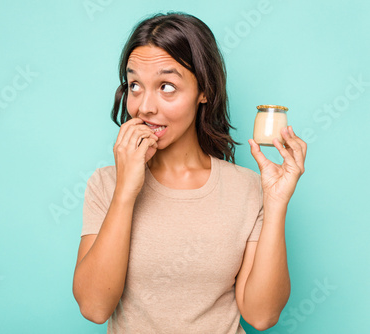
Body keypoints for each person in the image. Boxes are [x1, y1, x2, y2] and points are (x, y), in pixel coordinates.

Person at [72, 12, 307, 334]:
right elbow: (95, 307)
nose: (144, 106)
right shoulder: (105, 183)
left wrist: (276, 203)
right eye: (135, 85)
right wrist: (125, 190)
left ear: (204, 91)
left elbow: (261, 316)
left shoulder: (249, 188)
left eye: (166, 86)